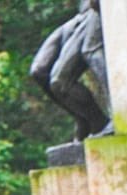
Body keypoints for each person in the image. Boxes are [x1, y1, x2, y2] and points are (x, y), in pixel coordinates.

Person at [31, 0, 111, 140]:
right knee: (39, 70)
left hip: (94, 12)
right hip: (79, 15)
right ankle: (83, 120)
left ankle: (100, 121)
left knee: (60, 81)